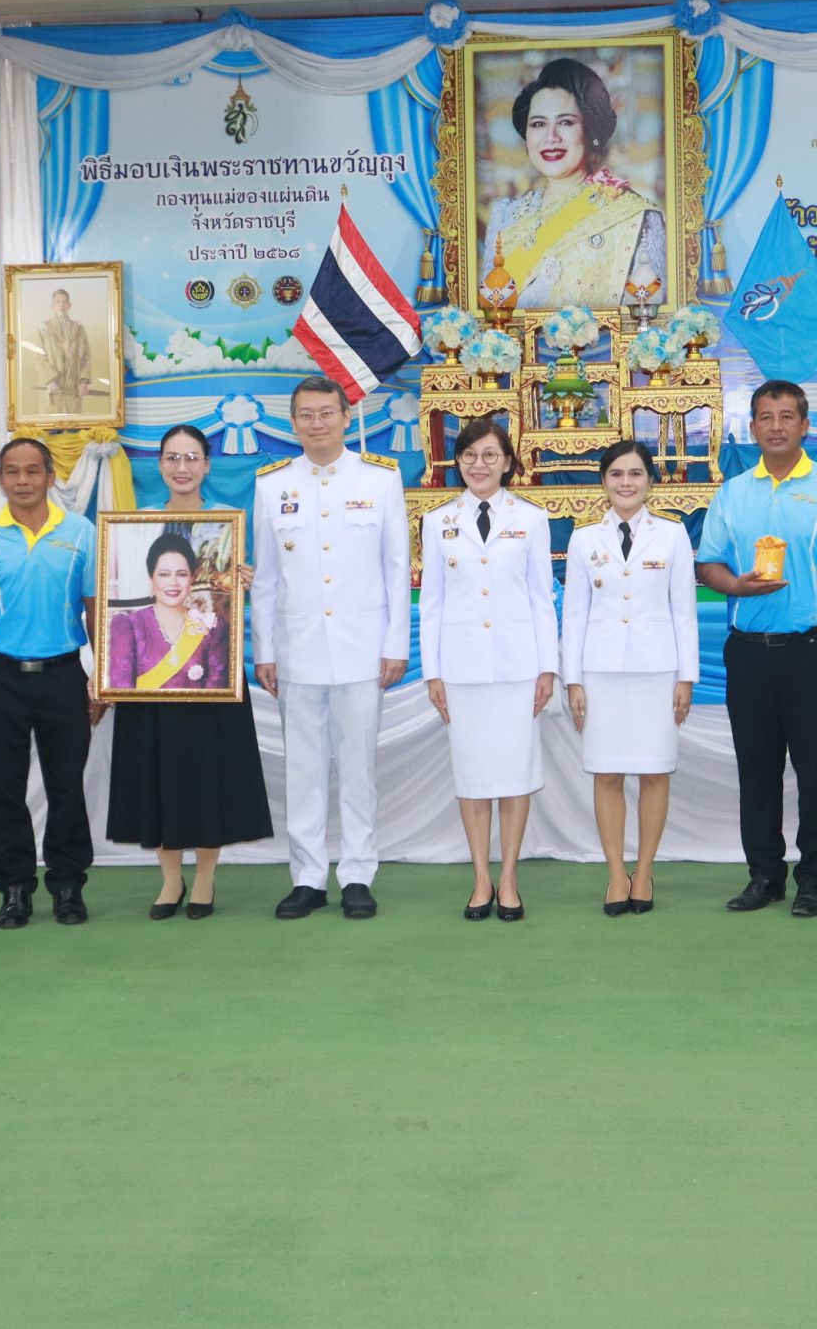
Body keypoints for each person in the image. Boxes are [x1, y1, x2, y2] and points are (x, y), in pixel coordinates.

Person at [695, 380, 817, 918]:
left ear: (804, 424)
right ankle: (765, 875)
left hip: (813, 649)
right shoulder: (733, 492)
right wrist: (734, 586)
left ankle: (813, 879)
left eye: (786, 416)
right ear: (751, 428)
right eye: (765, 417)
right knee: (758, 768)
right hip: (749, 651)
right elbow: (708, 564)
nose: (775, 426)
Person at [251, 376, 409, 921]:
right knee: (305, 767)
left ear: (346, 415)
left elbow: (395, 569)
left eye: (325, 413)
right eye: (305, 415)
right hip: (296, 651)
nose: (316, 424)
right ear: (291, 423)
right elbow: (266, 578)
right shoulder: (272, 485)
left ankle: (359, 873)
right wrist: (264, 650)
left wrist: (395, 645)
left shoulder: (381, 480)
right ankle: (309, 877)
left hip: (363, 650)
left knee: (358, 768)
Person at [105, 424, 273, 919]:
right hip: (151, 678)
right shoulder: (137, 526)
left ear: (206, 465)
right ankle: (169, 881)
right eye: (172, 458)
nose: (182, 467)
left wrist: (244, 584)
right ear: (159, 465)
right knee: (155, 775)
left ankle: (204, 880)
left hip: (211, 673)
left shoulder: (226, 526)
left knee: (208, 776)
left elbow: (228, 611)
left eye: (191, 458)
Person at [0, 439, 102, 931]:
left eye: (33, 471)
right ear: (0, 480)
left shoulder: (80, 532)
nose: (22, 481)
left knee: (66, 787)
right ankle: (14, 888)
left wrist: (99, 676)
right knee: (5, 788)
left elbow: (95, 608)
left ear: (49, 477)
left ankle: (67, 885)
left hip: (63, 675)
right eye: (12, 472)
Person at [420, 419, 558, 922]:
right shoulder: (438, 521)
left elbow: (543, 599)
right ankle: (480, 878)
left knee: (515, 775)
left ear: (507, 461)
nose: (479, 464)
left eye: (490, 455)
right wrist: (433, 672)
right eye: (470, 455)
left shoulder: (531, 518)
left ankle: (510, 879)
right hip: (462, 670)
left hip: (519, 668)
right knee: (474, 776)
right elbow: (431, 604)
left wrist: (548, 667)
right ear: (457, 462)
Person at [562, 441, 698, 916]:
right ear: (603, 481)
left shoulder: (673, 535)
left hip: (657, 671)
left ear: (650, 481)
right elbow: (573, 615)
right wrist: (573, 680)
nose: (626, 482)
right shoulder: (583, 540)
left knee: (656, 771)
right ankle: (616, 873)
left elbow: (684, 611)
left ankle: (644, 871)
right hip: (600, 673)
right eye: (617, 474)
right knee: (608, 772)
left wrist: (687, 676)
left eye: (636, 474)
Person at [479, 56, 666, 311]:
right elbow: (491, 315)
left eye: (566, 122)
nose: (550, 137)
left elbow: (648, 318)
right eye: (538, 124)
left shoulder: (635, 216)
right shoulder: (505, 216)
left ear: (591, 131)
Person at [107, 535, 231, 691]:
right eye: (164, 574)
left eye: (181, 574)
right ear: (151, 578)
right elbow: (122, 691)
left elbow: (216, 692)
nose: (173, 582)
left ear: (192, 578)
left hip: (199, 713)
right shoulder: (127, 626)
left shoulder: (212, 627)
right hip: (142, 714)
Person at [35, 287, 95, 413]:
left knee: (73, 427)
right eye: (58, 301)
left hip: (73, 389)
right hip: (52, 390)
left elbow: (86, 357)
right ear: (52, 305)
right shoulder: (43, 328)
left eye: (64, 302)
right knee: (51, 428)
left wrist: (84, 381)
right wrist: (50, 380)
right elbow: (38, 357)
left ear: (69, 305)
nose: (61, 305)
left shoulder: (78, 329)